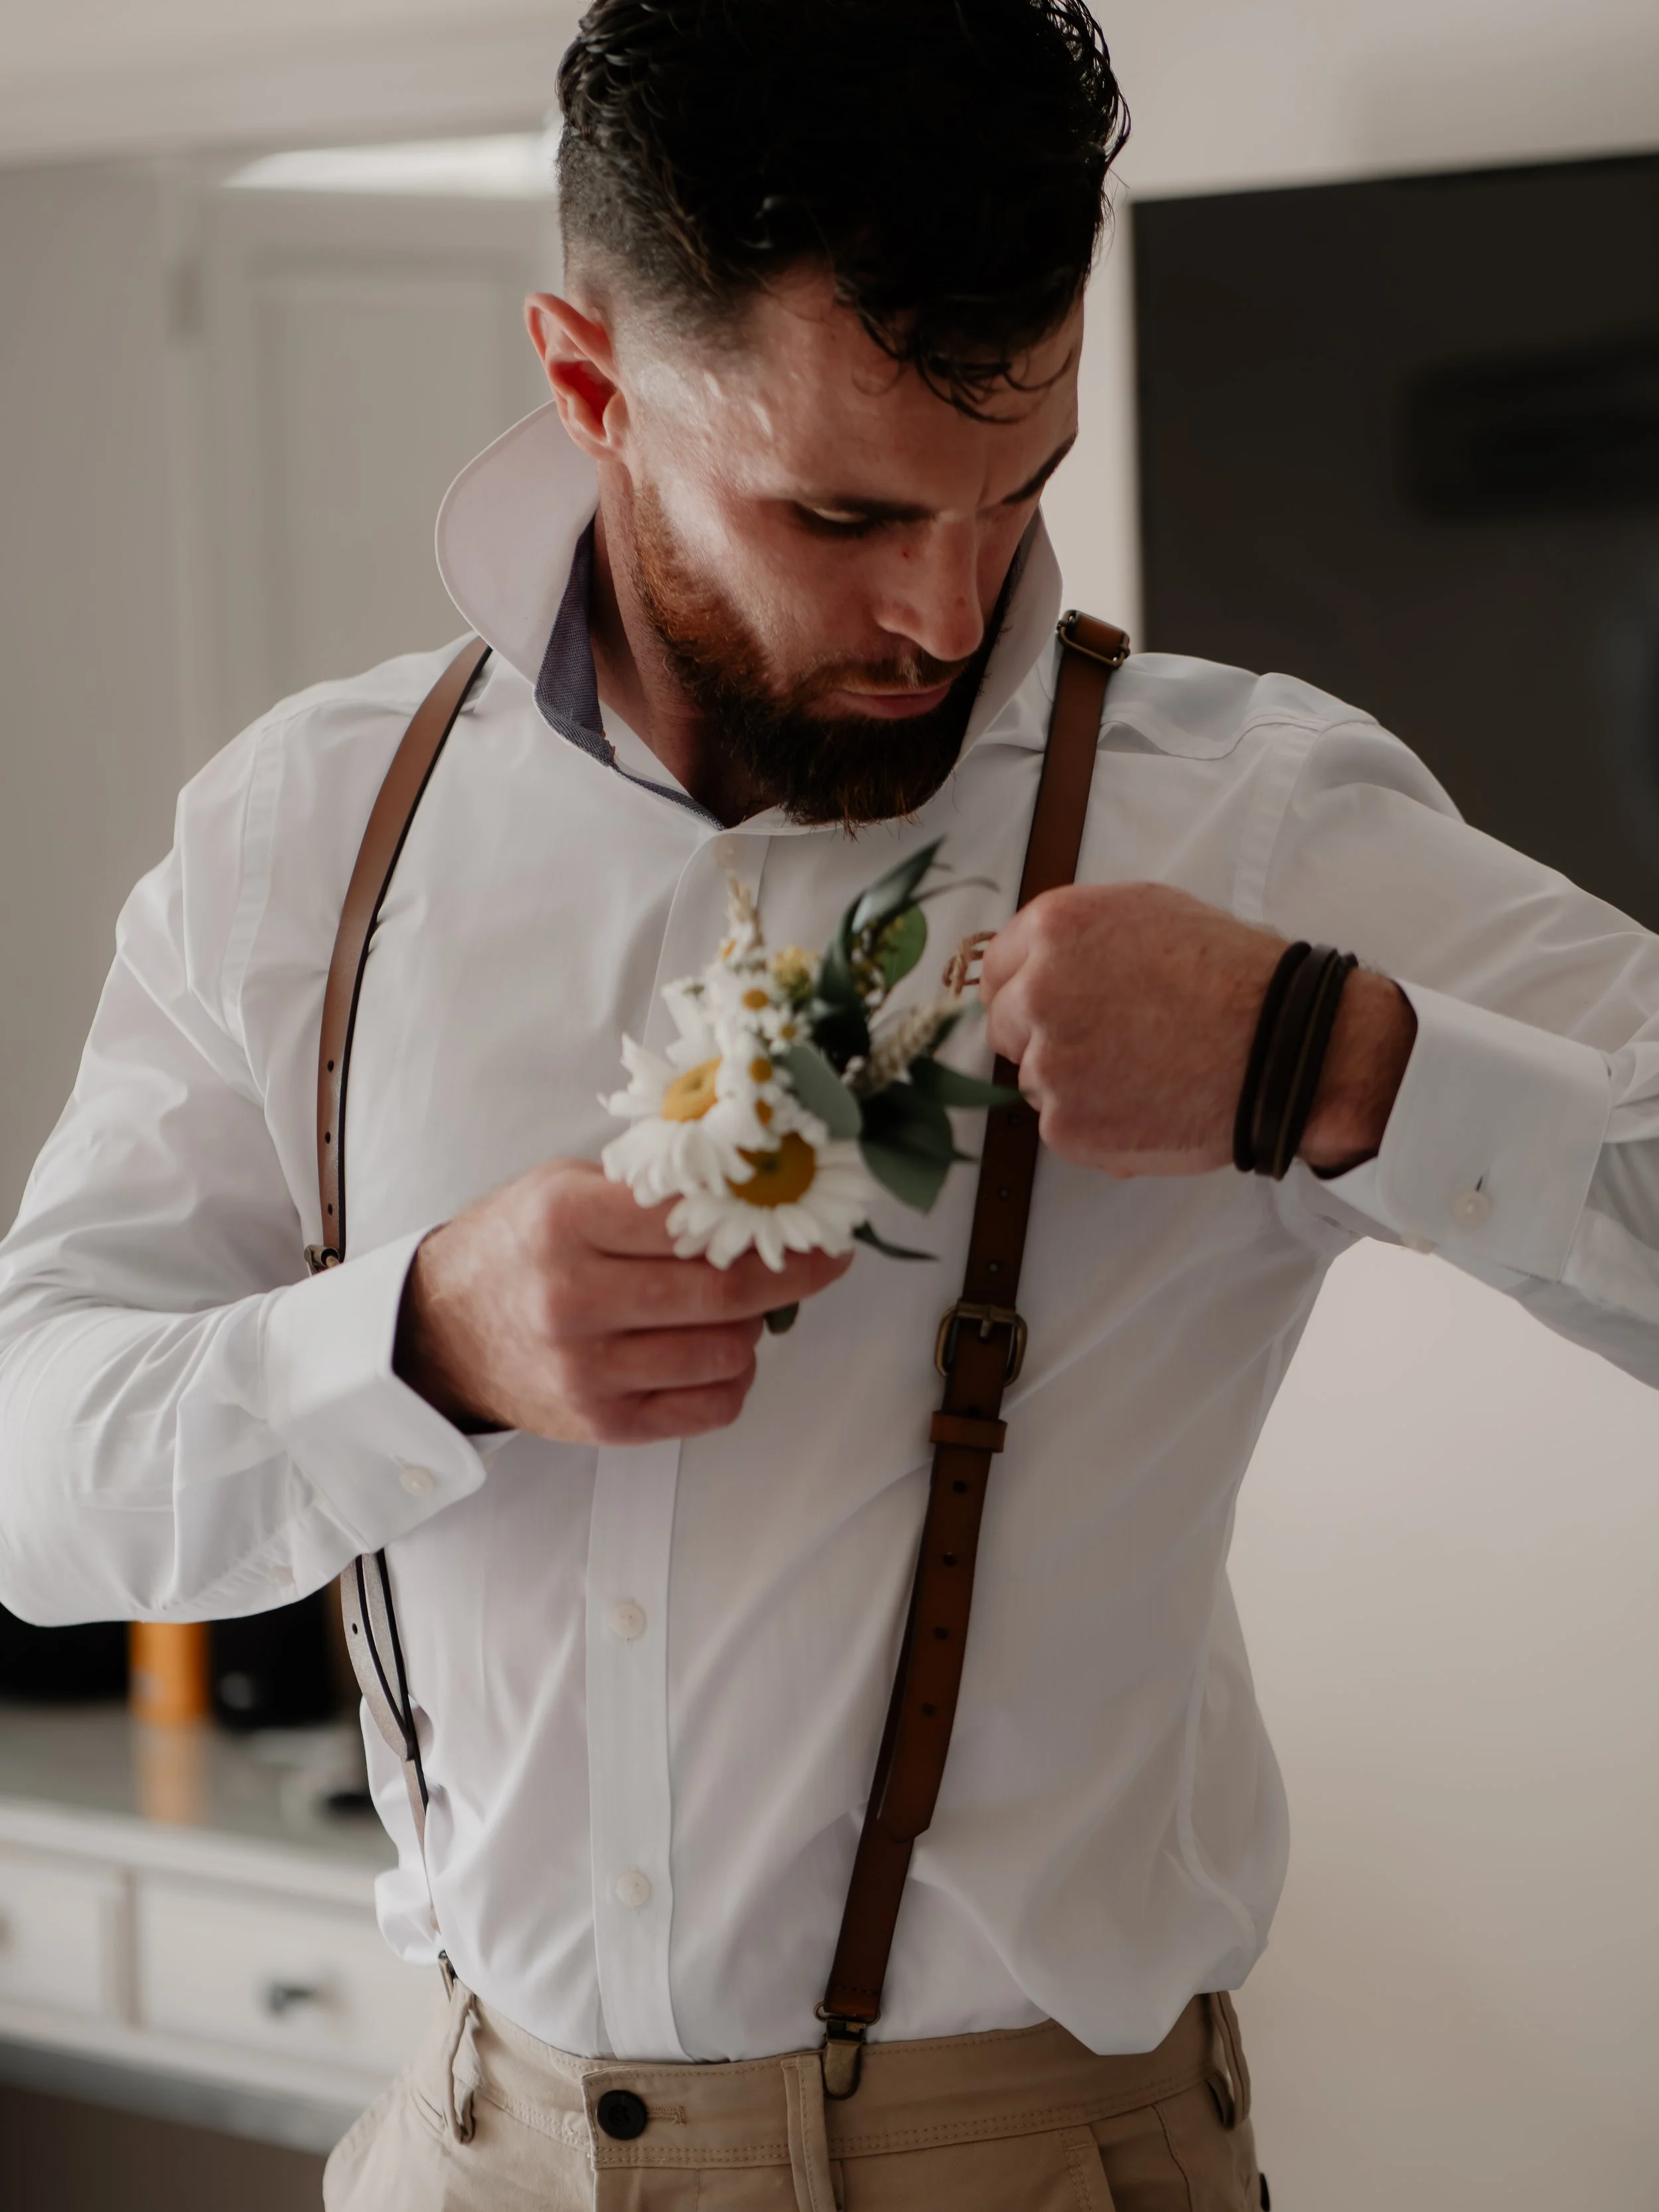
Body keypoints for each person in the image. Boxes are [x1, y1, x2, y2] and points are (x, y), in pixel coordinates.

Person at [1, 1, 1656, 2204]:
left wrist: (1333, 1063)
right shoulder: (308, 837)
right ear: (588, 385)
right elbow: (39, 1485)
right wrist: (415, 1341)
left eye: (1018, 495)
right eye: (844, 510)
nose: (946, 610)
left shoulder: (1244, 820)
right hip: (471, 2146)